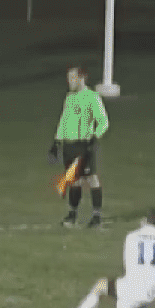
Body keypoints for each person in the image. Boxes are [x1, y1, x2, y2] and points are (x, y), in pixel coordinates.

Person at [50, 65, 110, 227]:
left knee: (92, 179)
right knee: (74, 181)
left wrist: (94, 136)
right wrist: (57, 142)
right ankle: (72, 215)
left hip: (84, 145)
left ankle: (96, 217)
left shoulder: (92, 97)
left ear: (82, 78)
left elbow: (103, 121)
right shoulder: (69, 97)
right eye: (68, 78)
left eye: (72, 78)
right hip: (69, 146)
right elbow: (63, 121)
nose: (69, 81)